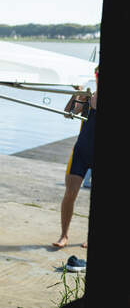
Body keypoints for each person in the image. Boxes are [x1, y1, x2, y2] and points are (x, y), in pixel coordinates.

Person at [53, 65, 98, 249]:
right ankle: (64, 235)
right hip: (81, 151)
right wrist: (77, 93)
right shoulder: (88, 96)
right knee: (70, 193)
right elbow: (68, 112)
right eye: (98, 73)